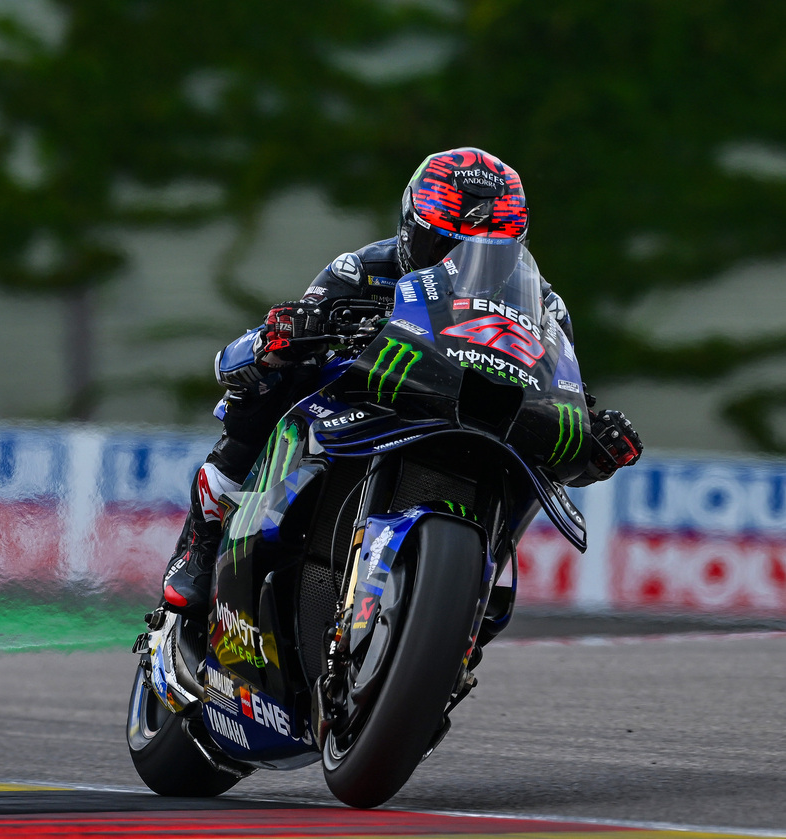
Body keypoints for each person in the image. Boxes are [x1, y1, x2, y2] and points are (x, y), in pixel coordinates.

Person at [161, 147, 643, 617]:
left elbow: (562, 388)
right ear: (411, 228)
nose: (460, 264)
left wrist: (592, 441)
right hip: (371, 396)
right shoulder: (363, 270)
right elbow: (260, 347)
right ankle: (202, 541)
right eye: (444, 247)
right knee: (278, 377)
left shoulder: (545, 308)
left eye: (487, 255)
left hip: (473, 418)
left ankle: (469, 598)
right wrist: (286, 334)